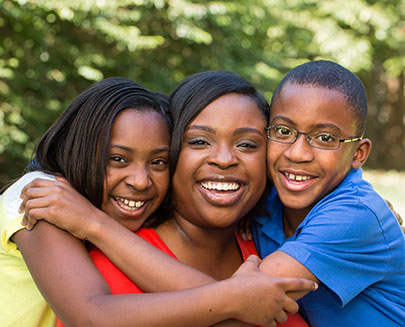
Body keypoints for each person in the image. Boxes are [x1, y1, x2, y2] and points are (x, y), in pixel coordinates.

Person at [0, 73, 316, 327]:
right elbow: (90, 315)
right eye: (117, 159)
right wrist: (234, 298)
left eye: (158, 162)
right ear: (80, 150)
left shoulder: (260, 232)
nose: (141, 181)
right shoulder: (42, 196)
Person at [251, 60, 405, 327]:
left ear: (358, 154)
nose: (297, 153)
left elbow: (243, 301)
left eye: (325, 138)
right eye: (284, 131)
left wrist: (148, 257)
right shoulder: (266, 201)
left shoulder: (356, 215)